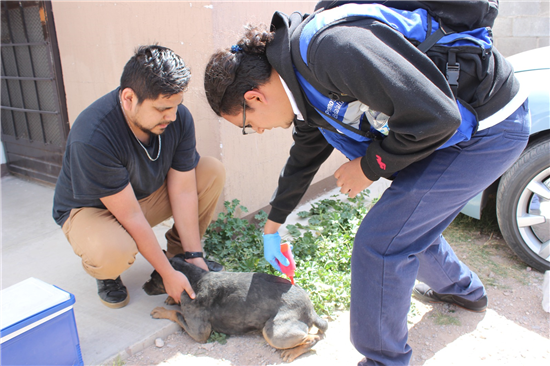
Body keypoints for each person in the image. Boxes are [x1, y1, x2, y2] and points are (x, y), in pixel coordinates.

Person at [202, 2, 530, 365]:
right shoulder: (297, 77)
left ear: (254, 97)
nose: (258, 131)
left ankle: (383, 360)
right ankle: (464, 292)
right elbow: (307, 150)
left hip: (490, 128)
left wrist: (369, 166)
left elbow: (438, 117)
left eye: (248, 125)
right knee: (408, 221)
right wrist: (272, 224)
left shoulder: (332, 52)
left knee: (382, 241)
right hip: (461, 127)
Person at [53, 45, 225, 309]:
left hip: (140, 197)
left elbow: (183, 190)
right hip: (90, 209)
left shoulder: (178, 119)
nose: (172, 116)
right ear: (129, 98)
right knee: (112, 252)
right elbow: (131, 216)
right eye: (161, 108)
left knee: (210, 171)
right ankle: (107, 274)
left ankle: (180, 258)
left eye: (176, 105)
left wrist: (194, 255)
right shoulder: (93, 137)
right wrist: (167, 275)